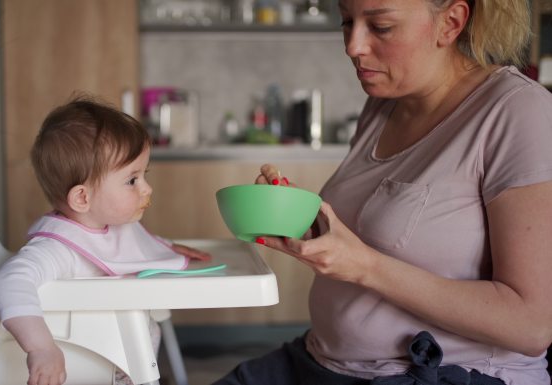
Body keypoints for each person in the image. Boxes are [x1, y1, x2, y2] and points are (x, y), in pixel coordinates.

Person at [214, 0, 552, 384]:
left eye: (381, 27)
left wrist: (365, 266)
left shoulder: (518, 111)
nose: (353, 46)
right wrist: (302, 219)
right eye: (346, 22)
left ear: (450, 22)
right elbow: (376, 233)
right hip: (320, 361)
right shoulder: (383, 105)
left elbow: (532, 325)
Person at [0, 95, 211, 385]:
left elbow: (125, 248)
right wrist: (41, 347)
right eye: (132, 180)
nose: (147, 188)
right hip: (87, 369)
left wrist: (163, 248)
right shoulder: (58, 248)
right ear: (83, 197)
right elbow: (10, 281)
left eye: (144, 175)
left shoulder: (110, 225)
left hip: (123, 362)